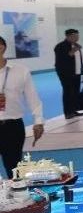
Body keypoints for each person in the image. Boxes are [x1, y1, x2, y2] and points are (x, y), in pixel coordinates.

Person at [0, 35, 44, 177]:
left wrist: (38, 122)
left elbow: (32, 97)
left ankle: (17, 191)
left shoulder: (20, 71)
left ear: (2, 47)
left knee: (14, 170)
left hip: (12, 127)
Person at [53, 28, 83, 119]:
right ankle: (68, 112)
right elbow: (62, 59)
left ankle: (74, 110)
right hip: (66, 73)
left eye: (77, 36)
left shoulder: (76, 45)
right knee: (68, 92)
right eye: (75, 36)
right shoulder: (60, 46)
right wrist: (74, 50)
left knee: (75, 92)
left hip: (76, 72)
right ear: (68, 36)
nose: (77, 38)